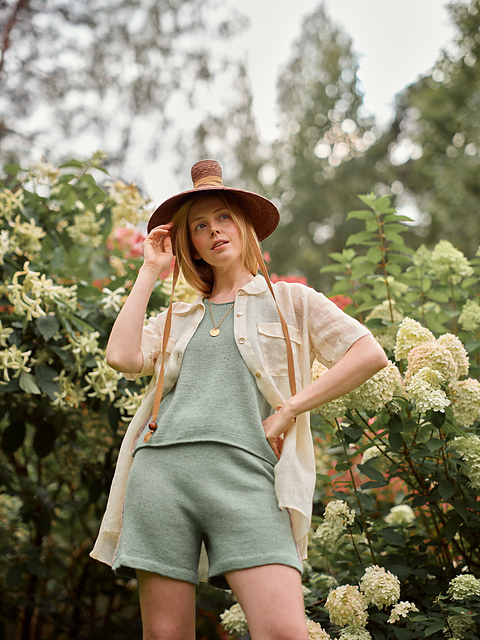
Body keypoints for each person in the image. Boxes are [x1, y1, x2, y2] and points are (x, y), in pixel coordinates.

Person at [90, 160, 388, 640]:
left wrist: (291, 408)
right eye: (199, 226)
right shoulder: (178, 316)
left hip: (248, 476)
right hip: (161, 477)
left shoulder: (292, 302)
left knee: (284, 631)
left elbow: (368, 353)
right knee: (166, 636)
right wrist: (150, 270)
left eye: (223, 216)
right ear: (190, 245)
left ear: (245, 225)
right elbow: (121, 356)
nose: (213, 231)